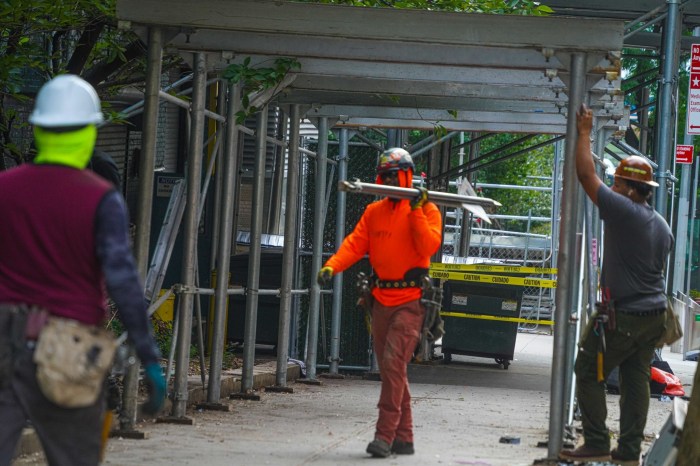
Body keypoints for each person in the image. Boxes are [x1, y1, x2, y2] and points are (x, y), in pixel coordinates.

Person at [0, 74, 166, 466]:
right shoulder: (100, 198)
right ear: (90, 132)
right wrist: (149, 356)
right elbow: (122, 280)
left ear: (38, 128)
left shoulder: (5, 188)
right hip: (69, 345)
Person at [559, 104, 673, 465]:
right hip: (654, 315)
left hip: (625, 316)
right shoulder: (660, 224)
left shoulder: (624, 211)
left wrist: (585, 133)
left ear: (629, 189)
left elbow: (585, 175)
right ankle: (627, 452)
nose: (611, 186)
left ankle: (595, 439)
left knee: (587, 371)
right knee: (635, 379)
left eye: (617, 183)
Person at [317, 147, 442, 458]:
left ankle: (384, 436)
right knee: (392, 370)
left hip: (412, 300)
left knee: (391, 364)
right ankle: (405, 438)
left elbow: (428, 244)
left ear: (407, 175)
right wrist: (332, 265)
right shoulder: (374, 212)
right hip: (380, 299)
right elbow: (355, 243)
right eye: (384, 176)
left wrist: (415, 210)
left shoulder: (428, 211)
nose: (388, 180)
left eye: (393, 175)